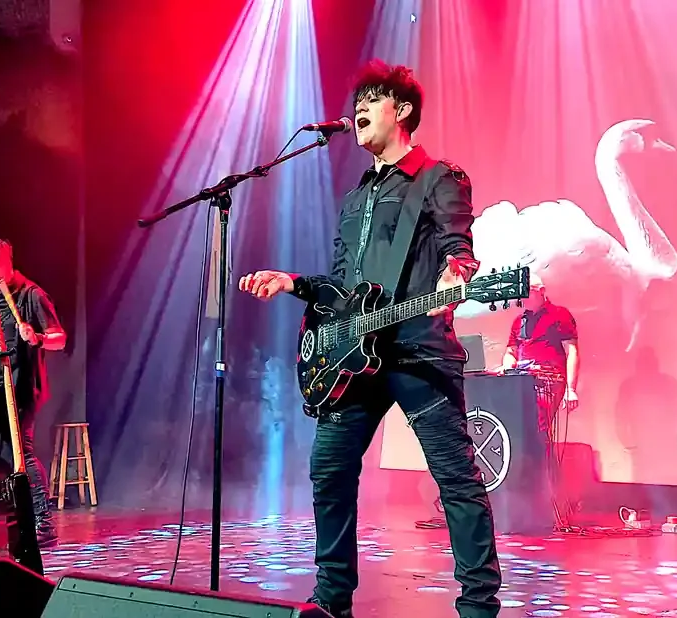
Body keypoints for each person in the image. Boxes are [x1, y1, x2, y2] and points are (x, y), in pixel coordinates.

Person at [238, 60, 501, 618]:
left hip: (419, 350)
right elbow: (343, 288)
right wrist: (294, 283)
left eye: (373, 98)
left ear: (401, 110)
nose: (359, 107)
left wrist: (456, 271)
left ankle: (479, 607)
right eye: (357, 99)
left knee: (455, 478)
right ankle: (331, 601)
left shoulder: (440, 177)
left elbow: (458, 243)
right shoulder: (356, 197)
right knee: (329, 470)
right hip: (355, 360)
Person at [0, 238, 66, 548]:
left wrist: (37, 338)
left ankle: (43, 522)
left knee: (20, 453)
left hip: (19, 388)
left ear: (6, 264)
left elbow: (59, 339)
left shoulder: (32, 295)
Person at [499, 273, 580, 434]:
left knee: (538, 425)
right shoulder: (519, 321)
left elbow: (571, 352)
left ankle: (540, 449)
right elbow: (510, 352)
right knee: (517, 426)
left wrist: (570, 389)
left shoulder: (560, 314)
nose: (522, 297)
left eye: (527, 291)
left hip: (549, 382)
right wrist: (507, 367)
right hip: (522, 381)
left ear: (541, 290)